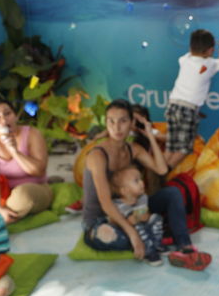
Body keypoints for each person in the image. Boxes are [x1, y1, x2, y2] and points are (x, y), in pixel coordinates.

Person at [82, 99, 211, 271]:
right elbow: (105, 203)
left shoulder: (133, 149)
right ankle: (149, 238)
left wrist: (150, 135)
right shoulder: (97, 155)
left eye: (123, 120)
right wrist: (133, 234)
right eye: (111, 121)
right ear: (106, 123)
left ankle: (185, 248)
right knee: (114, 237)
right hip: (102, 220)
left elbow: (161, 169)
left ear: (131, 124)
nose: (117, 127)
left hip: (132, 210)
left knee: (172, 193)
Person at [164, 29, 219, 168]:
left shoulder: (185, 60)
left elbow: (190, 55)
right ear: (210, 50)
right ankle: (164, 173)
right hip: (188, 109)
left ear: (191, 47)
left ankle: (158, 171)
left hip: (173, 105)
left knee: (171, 145)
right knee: (184, 148)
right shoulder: (208, 64)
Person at [109, 166, 166, 266]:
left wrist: (143, 216)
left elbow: (146, 215)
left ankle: (156, 243)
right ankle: (148, 250)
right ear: (125, 191)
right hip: (126, 233)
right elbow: (131, 220)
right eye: (136, 181)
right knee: (138, 226)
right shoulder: (118, 204)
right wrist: (141, 216)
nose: (142, 183)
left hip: (141, 225)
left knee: (156, 217)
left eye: (141, 179)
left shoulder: (142, 198)